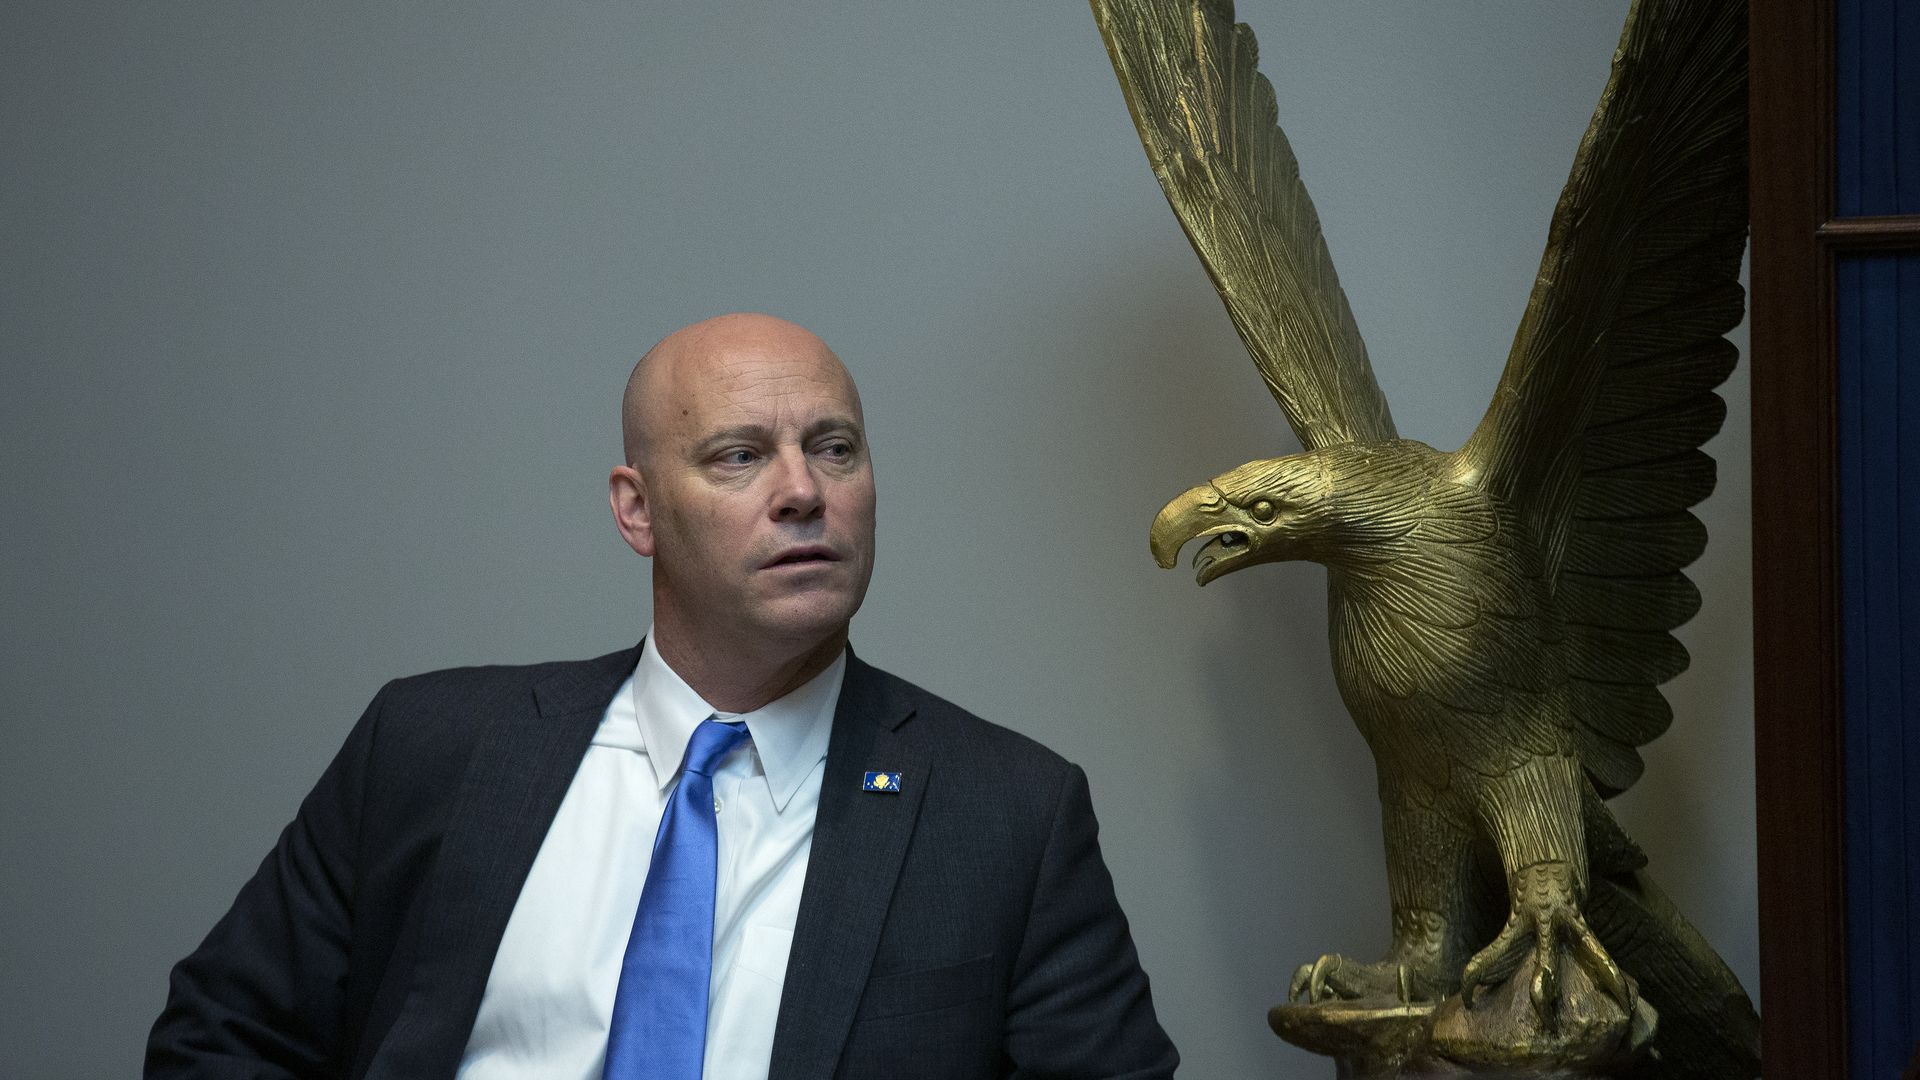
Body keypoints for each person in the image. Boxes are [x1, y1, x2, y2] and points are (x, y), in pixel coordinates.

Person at [145, 313, 1179, 1080]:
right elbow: (222, 1038)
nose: (802, 491)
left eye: (834, 448)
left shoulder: (1008, 812)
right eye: (740, 455)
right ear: (636, 510)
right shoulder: (431, 747)